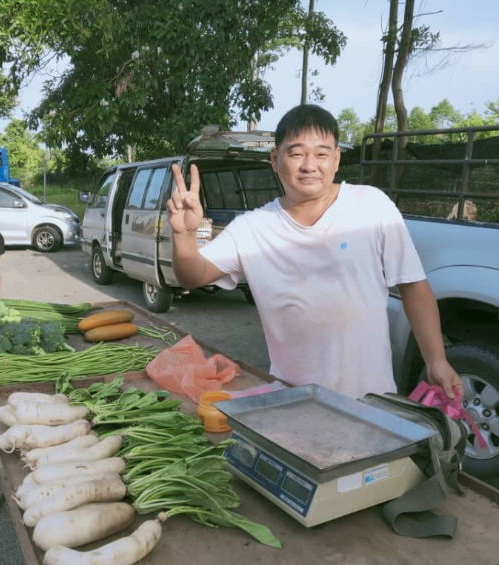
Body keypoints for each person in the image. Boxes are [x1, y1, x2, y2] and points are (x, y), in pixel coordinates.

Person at [167, 104, 462, 400]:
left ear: (336, 159)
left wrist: (436, 360)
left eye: (321, 154)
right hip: (293, 398)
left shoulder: (371, 205)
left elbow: (412, 284)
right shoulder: (253, 228)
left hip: (371, 399)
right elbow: (193, 275)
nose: (309, 165)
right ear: (275, 159)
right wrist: (184, 235)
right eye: (296, 154)